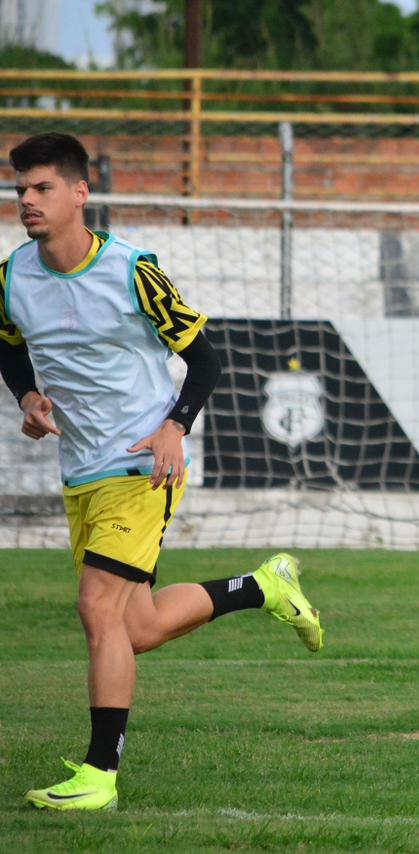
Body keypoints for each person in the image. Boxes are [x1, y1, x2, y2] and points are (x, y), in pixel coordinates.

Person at [1, 133, 324, 812]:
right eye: (20, 189)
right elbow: (6, 347)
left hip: (145, 462)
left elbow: (205, 360)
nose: (26, 200)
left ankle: (100, 775)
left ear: (79, 194)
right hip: (80, 469)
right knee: (136, 627)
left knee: (97, 610)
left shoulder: (131, 270)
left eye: (41, 188)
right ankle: (262, 586)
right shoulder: (12, 277)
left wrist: (176, 425)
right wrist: (28, 398)